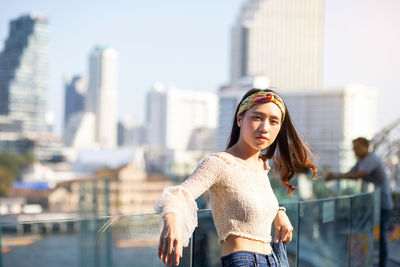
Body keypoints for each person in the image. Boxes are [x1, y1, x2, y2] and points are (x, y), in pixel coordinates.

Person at [154, 89, 317, 266]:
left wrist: (278, 212)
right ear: (240, 119)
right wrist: (172, 220)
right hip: (244, 261)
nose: (265, 128)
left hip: (274, 260)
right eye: (257, 117)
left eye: (273, 121)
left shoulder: (262, 166)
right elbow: (177, 195)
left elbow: (250, 196)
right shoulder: (219, 163)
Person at [326, 137, 394, 267]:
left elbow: (358, 175)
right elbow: (352, 172)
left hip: (382, 204)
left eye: (357, 148)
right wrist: (336, 174)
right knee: (372, 236)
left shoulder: (372, 159)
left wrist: (335, 176)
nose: (354, 151)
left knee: (380, 238)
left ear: (366, 147)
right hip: (373, 205)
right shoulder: (361, 160)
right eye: (353, 148)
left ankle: (382, 264)